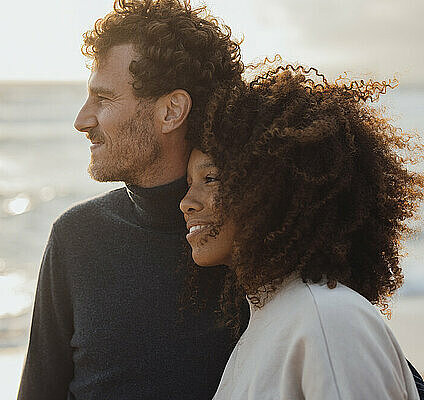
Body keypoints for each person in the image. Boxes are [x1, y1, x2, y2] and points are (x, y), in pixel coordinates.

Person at [17, 1, 246, 399]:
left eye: (103, 99)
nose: (82, 120)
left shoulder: (250, 239)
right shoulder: (76, 237)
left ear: (171, 110)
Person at [180, 66, 424, 399]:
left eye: (210, 179)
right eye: (189, 183)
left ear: (274, 186)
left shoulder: (329, 318)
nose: (186, 203)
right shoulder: (267, 324)